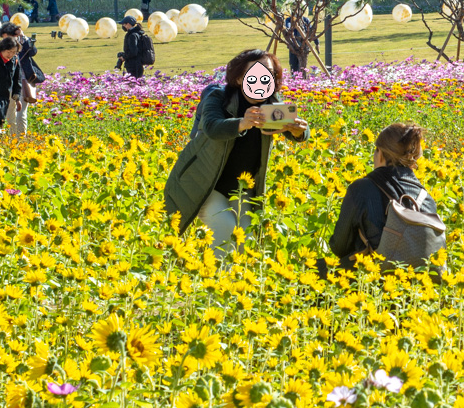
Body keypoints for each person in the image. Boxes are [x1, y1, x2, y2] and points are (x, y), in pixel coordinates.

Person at [163, 49, 309, 258]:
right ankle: (215, 280)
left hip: (241, 188)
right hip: (206, 184)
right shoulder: (218, 98)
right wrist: (242, 123)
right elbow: (212, 127)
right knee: (225, 226)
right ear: (240, 78)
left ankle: (237, 284)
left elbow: (298, 129)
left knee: (246, 237)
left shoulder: (271, 104)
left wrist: (299, 131)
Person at [326, 122, 442, 273]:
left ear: (380, 154)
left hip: (369, 280)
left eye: (375, 150)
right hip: (418, 286)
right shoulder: (426, 198)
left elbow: (339, 247)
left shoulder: (361, 189)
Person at [0, 22, 41, 135]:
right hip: (7, 82)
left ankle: (21, 138)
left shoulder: (23, 42)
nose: (5, 41)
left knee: (21, 112)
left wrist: (22, 36)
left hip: (23, 81)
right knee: (9, 113)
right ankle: (13, 137)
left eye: (6, 37)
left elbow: (33, 51)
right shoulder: (2, 47)